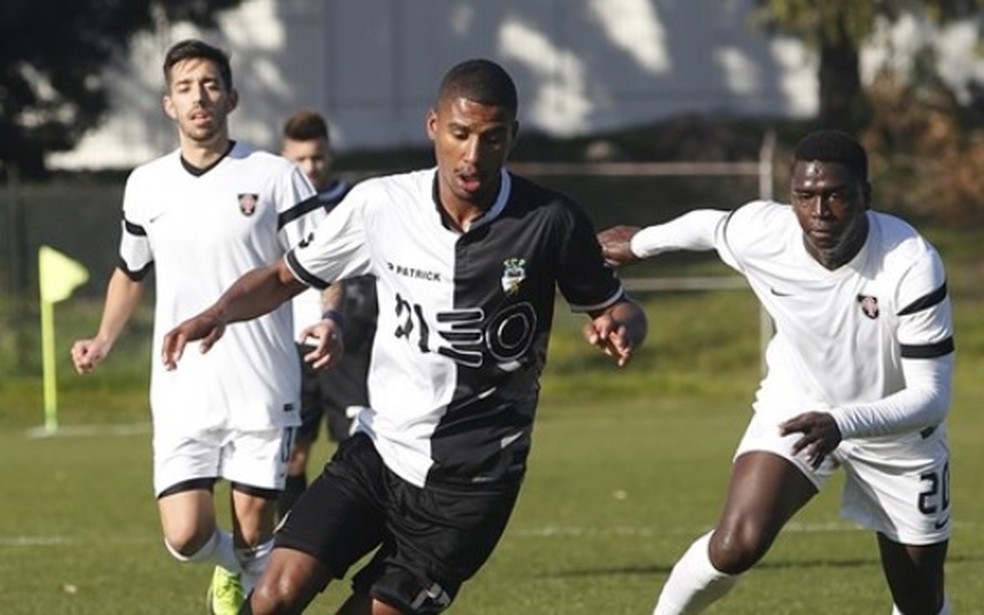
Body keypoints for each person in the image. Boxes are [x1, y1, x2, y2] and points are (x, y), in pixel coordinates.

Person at [160, 58, 649, 614]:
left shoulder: (550, 221)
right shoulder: (380, 205)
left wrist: (621, 325)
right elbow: (282, 276)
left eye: (491, 139)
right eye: (460, 134)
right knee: (273, 593)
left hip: (470, 487)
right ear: (433, 126)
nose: (472, 155)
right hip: (378, 455)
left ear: (511, 135)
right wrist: (219, 312)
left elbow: (619, 306)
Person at [599, 129, 954, 615]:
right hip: (800, 403)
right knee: (735, 545)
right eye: (804, 197)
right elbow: (708, 226)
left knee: (919, 602)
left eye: (836, 196)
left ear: (865, 197)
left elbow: (931, 395)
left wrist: (844, 424)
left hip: (899, 435)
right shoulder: (765, 233)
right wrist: (641, 243)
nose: (819, 212)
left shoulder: (910, 262)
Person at [70, 39, 340, 615]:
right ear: (168, 104)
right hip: (181, 386)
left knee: (253, 525)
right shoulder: (145, 185)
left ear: (232, 98)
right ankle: (232, 569)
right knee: (185, 535)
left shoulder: (274, 177)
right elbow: (129, 271)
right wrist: (103, 338)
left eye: (211, 85)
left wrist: (327, 318)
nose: (200, 98)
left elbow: (323, 262)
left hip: (261, 384)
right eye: (186, 88)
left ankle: (252, 590)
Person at [279, 109, 378, 517]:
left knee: (355, 449)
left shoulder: (355, 203)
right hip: (294, 347)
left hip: (348, 343)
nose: (310, 167)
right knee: (293, 454)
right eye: (299, 160)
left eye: (316, 158)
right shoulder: (277, 206)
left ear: (329, 155)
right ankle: (290, 537)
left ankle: (350, 530)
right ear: (284, 157)